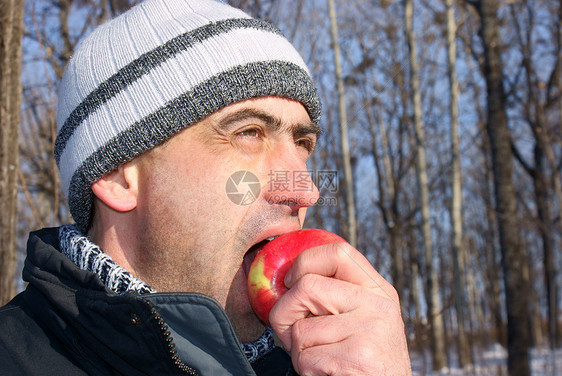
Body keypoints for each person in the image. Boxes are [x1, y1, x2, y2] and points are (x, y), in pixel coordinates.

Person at [0, 0, 412, 374]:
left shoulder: (322, 359)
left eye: (302, 144)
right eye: (249, 133)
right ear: (118, 176)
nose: (305, 191)